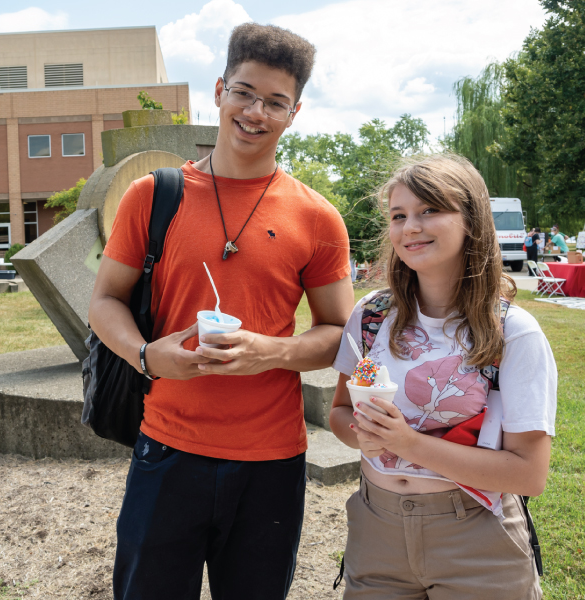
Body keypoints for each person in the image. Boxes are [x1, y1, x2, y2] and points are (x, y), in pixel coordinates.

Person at [88, 23, 353, 600]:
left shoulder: (318, 218)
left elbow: (340, 333)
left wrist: (272, 352)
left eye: (275, 101)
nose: (256, 111)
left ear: (294, 112)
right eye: (244, 92)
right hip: (166, 450)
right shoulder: (151, 196)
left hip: (272, 462)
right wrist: (145, 355)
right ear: (218, 90)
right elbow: (103, 300)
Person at [329, 154, 556, 599]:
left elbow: (530, 474)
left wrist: (407, 443)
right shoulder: (372, 315)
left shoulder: (512, 331)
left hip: (475, 535)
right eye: (399, 216)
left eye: (429, 210)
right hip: (375, 531)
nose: (410, 226)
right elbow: (340, 412)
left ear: (471, 220)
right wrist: (363, 435)